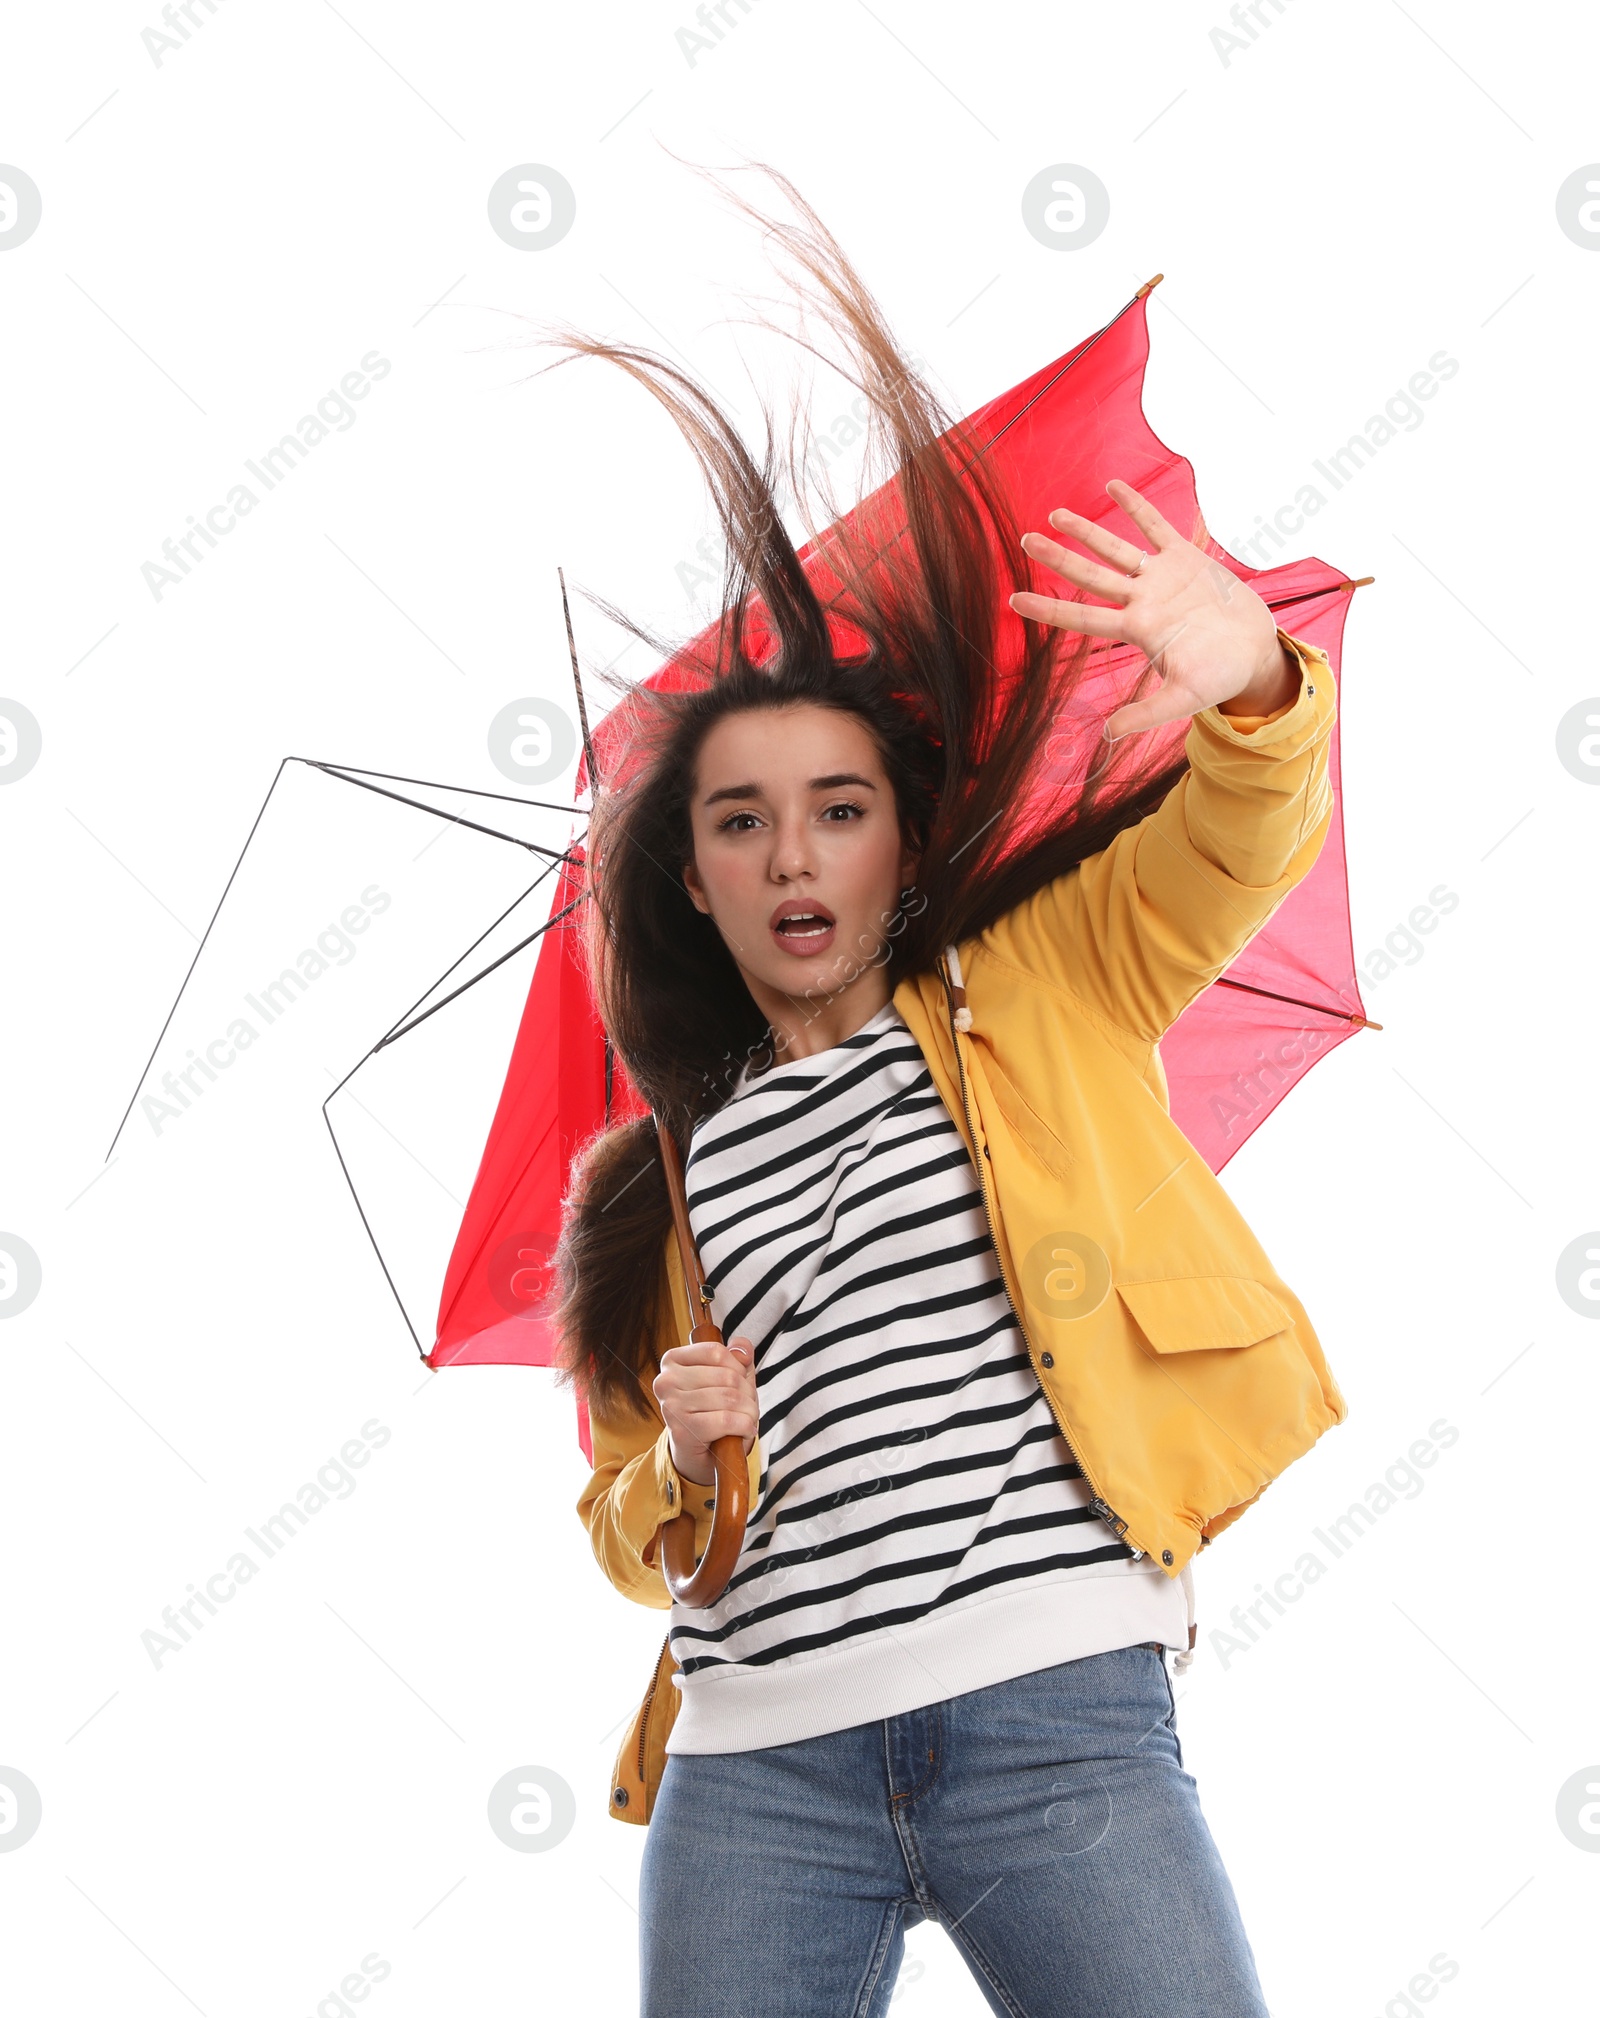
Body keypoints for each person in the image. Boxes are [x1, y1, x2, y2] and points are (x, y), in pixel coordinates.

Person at [549, 168, 1344, 2018]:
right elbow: (618, 1518)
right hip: (762, 1769)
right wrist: (681, 1456)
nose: (790, 850)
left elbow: (1234, 843)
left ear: (901, 843)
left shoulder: (1034, 982)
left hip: (1055, 1710)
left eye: (837, 806)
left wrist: (1248, 681)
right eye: (739, 820)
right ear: (697, 877)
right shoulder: (645, 1187)